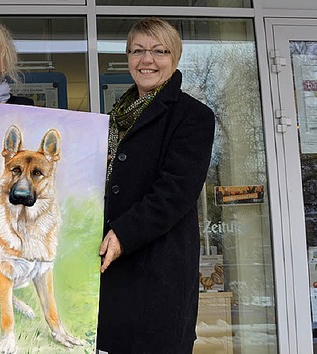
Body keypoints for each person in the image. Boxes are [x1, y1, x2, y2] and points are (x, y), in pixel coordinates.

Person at [97, 17, 215, 354]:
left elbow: (175, 192)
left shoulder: (194, 116)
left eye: (158, 51)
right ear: (128, 58)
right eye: (138, 51)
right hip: (112, 268)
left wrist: (123, 233)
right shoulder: (116, 116)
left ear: (174, 57)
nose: (147, 59)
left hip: (158, 271)